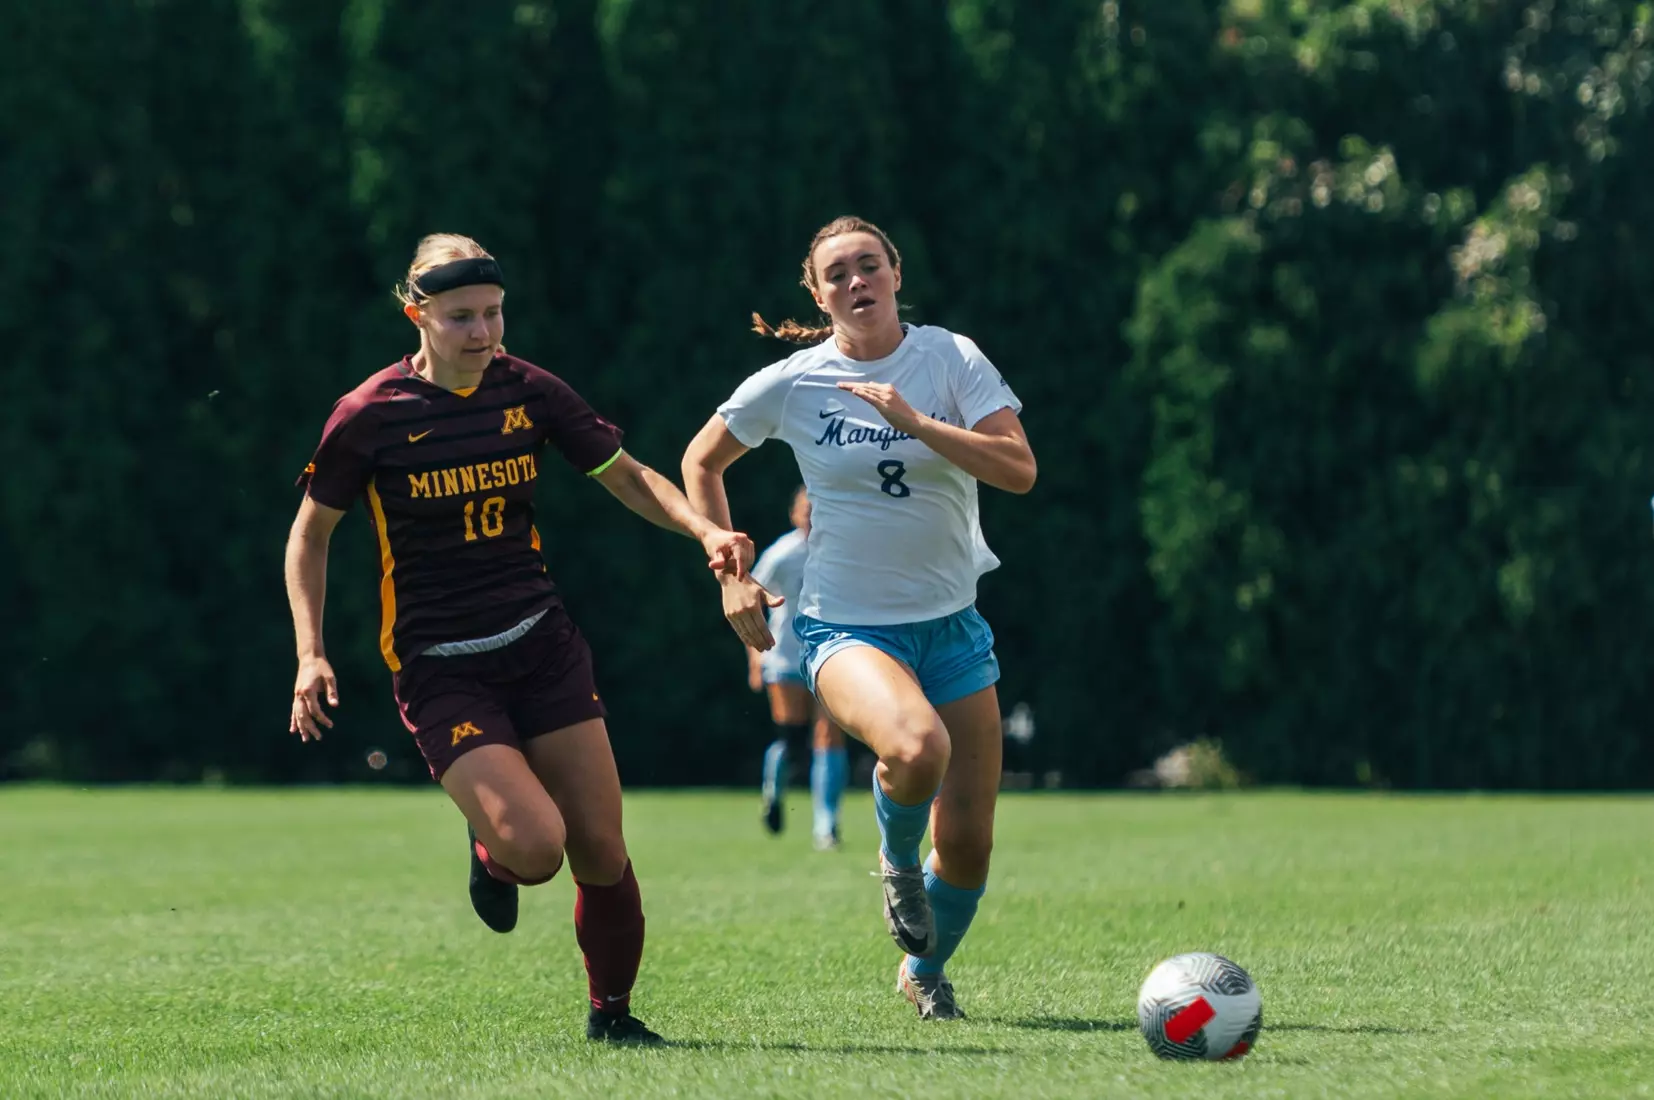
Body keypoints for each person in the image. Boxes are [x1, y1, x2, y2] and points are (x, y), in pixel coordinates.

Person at [285, 233, 755, 1045]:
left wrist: (702, 533)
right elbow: (309, 536)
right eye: (462, 317)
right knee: (539, 850)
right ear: (417, 315)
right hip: (441, 666)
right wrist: (310, 652)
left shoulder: (528, 390)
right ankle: (495, 850)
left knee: (601, 848)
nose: (485, 333)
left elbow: (628, 473)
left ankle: (611, 1017)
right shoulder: (368, 417)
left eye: (495, 314)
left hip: (542, 644)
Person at [681, 216, 1037, 1021]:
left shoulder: (951, 357)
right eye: (836, 274)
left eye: (868, 266)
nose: (855, 283)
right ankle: (897, 863)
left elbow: (1019, 470)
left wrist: (919, 424)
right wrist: (729, 568)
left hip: (952, 627)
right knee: (916, 747)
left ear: (896, 274)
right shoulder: (796, 381)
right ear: (816, 293)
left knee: (973, 847)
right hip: (846, 630)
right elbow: (700, 461)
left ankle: (925, 970)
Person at [744, 486, 848, 849]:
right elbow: (747, 599)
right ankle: (774, 789)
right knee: (792, 737)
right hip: (785, 656)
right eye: (806, 509)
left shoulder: (842, 551)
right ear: (794, 514)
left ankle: (826, 824)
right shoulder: (782, 554)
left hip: (832, 655)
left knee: (830, 735)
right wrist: (754, 656)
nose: (812, 515)